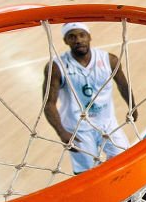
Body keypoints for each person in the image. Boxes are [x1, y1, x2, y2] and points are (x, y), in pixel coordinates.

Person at [42, 22, 137, 174]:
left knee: (125, 160)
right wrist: (61, 132)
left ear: (89, 37)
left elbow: (123, 85)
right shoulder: (56, 67)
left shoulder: (109, 60)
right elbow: (49, 104)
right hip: (77, 128)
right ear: (66, 41)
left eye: (82, 35)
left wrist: (132, 106)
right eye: (72, 37)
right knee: (85, 173)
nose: (78, 40)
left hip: (107, 123)